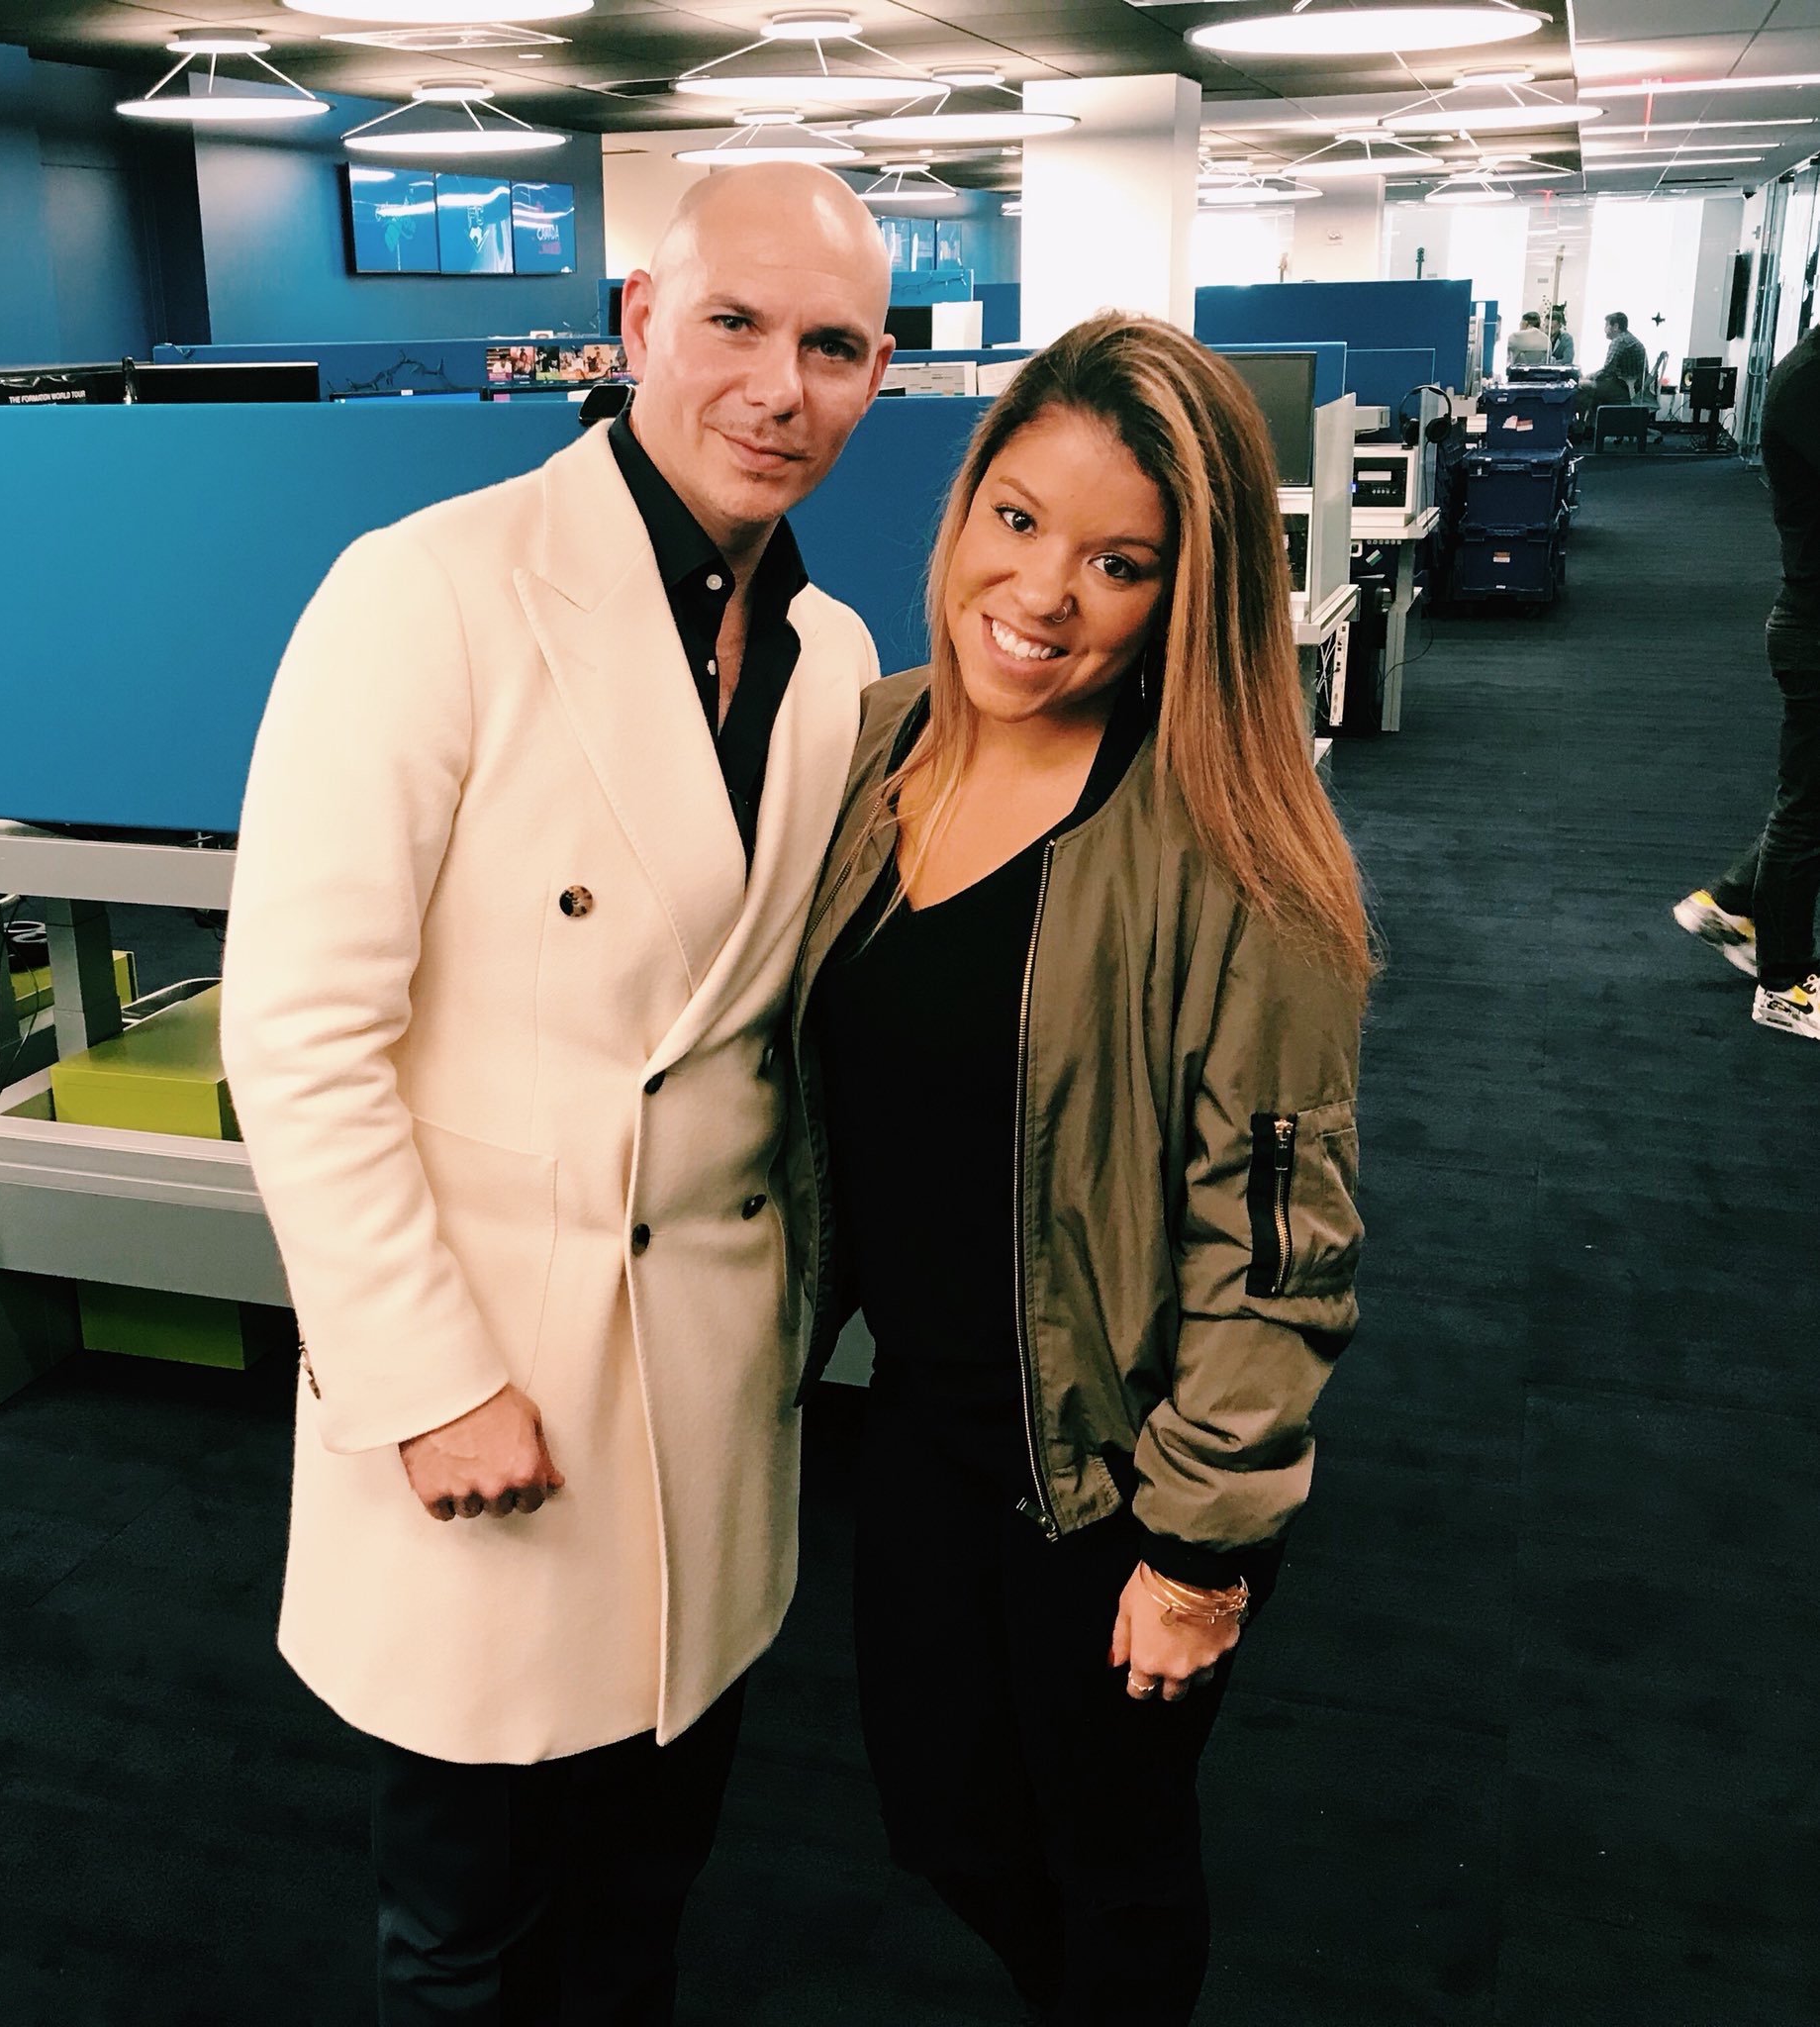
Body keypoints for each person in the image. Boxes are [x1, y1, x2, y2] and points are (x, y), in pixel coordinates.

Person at [218, 161, 895, 2026]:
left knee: (641, 1898)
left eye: (833, 346)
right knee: (467, 1925)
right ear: (638, 326)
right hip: (493, 1374)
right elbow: (298, 1029)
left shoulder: (834, 658)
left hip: (712, 1388)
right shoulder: (429, 592)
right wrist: (425, 1380)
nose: (777, 386)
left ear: (878, 373)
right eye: (734, 323)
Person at [787, 314, 1370, 2026]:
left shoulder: (1232, 846)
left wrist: (1199, 1552)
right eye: (1018, 520)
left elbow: (1276, 1239)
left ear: (1185, 595)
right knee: (948, 1827)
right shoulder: (873, 746)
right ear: (965, 506)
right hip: (922, 1419)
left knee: (1110, 1873)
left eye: (1119, 563)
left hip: (1116, 1465)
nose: (1043, 593)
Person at [1675, 318, 1820, 1038]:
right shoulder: (1808, 381)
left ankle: (1731, 901)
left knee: (1812, 801)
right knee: (1807, 811)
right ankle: (1784, 985)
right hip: (1815, 627)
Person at [1576, 311, 1649, 425]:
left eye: (1606, 325)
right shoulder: (1629, 338)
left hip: (1625, 388)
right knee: (1593, 386)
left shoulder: (1619, 341)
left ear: (1615, 327)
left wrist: (1587, 376)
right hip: (1633, 386)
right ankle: (1591, 424)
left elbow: (1607, 370)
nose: (1604, 329)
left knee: (1581, 386)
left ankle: (1580, 427)